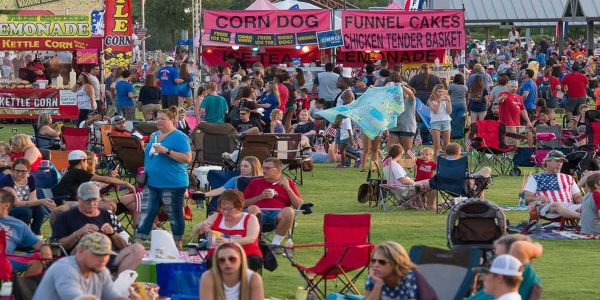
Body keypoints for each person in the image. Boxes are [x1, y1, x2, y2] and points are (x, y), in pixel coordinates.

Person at [52, 182, 144, 275]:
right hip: (80, 258)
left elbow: (124, 246)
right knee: (86, 245)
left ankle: (119, 285)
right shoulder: (65, 217)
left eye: (94, 199)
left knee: (138, 249)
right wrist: (78, 234)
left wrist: (113, 233)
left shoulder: (108, 214)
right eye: (87, 200)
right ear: (78, 199)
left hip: (108, 256)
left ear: (99, 198)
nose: (91, 203)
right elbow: (58, 246)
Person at [135, 108, 192, 249]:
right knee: (147, 212)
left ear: (172, 120)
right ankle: (138, 243)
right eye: (157, 118)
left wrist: (167, 151)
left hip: (172, 182)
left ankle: (178, 243)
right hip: (152, 182)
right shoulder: (154, 135)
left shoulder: (179, 137)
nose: (158, 121)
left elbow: (187, 158)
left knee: (175, 213)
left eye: (162, 119)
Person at [34, 232, 134, 300]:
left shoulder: (101, 271)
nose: (103, 259)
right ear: (80, 251)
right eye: (97, 254)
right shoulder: (65, 269)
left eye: (106, 254)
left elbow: (114, 297)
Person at [194, 190, 262, 271]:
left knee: (252, 261)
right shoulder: (216, 216)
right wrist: (200, 227)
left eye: (229, 209)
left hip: (246, 253)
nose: (225, 212)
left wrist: (228, 241)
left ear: (239, 207)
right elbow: (197, 229)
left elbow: (251, 238)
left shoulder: (250, 218)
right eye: (223, 208)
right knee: (210, 261)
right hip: (220, 254)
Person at [244, 158, 303, 246]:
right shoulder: (255, 182)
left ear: (278, 170)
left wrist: (288, 188)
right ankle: (254, 242)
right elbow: (241, 203)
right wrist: (260, 197)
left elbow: (299, 206)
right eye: (263, 168)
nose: (264, 171)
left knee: (289, 211)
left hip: (278, 215)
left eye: (268, 168)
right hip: (258, 213)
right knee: (253, 208)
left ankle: (275, 244)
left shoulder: (288, 183)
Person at [469, 234, 543, 300]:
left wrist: (538, 248)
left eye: (499, 256)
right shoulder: (496, 284)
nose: (495, 260)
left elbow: (519, 246)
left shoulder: (523, 272)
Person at [0, 189, 53, 276]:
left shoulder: (17, 225)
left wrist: (44, 246)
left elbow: (36, 242)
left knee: (39, 259)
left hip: (6, 259)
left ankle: (20, 287)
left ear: (6, 205)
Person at [1, 158, 55, 235]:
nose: (20, 173)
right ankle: (23, 236)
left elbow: (33, 199)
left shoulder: (30, 179)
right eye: (17, 171)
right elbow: (16, 203)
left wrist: (46, 202)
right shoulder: (7, 180)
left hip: (24, 207)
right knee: (26, 211)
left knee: (39, 210)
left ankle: (35, 235)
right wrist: (42, 201)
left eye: (23, 171)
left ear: (28, 171)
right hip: (6, 209)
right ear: (12, 170)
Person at [364, 241, 435, 300]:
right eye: (373, 261)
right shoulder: (374, 275)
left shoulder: (408, 276)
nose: (375, 265)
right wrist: (378, 285)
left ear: (395, 263)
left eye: (382, 262)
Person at [523, 150, 581, 220]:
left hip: (569, 206)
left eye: (561, 161)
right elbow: (527, 198)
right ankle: (581, 217)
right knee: (557, 205)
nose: (559, 164)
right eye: (557, 161)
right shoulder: (536, 178)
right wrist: (537, 198)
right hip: (547, 208)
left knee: (590, 204)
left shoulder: (568, 177)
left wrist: (587, 203)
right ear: (547, 161)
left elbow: (577, 197)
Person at [199, 242, 264, 300]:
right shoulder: (208, 277)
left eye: (232, 259)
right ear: (216, 262)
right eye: (221, 260)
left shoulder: (253, 279)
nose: (227, 263)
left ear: (241, 259)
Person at [498, 81, 533, 147]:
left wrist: (528, 121)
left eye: (516, 86)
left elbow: (523, 110)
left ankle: (530, 150)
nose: (514, 88)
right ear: (508, 87)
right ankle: (509, 156)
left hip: (517, 123)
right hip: (507, 124)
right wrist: (502, 99)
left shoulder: (519, 97)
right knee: (511, 144)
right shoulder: (504, 94)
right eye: (512, 86)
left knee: (516, 144)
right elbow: (499, 100)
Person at [428, 84, 452, 157]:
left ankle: (445, 162)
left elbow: (449, 111)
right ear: (435, 92)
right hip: (435, 122)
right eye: (439, 91)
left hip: (446, 121)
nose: (441, 93)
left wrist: (448, 101)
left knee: (446, 144)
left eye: (442, 91)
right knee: (437, 145)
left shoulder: (446, 99)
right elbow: (435, 111)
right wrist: (439, 102)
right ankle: (436, 163)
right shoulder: (430, 100)